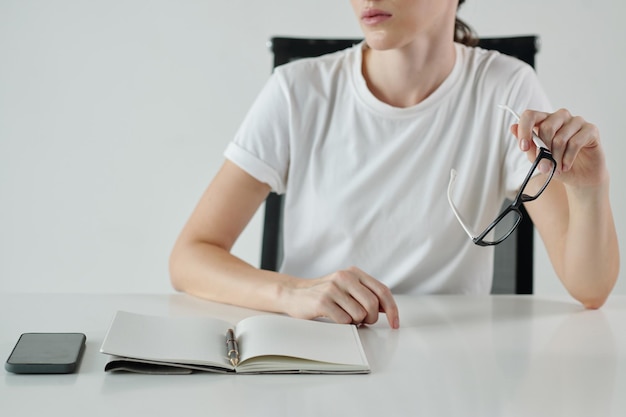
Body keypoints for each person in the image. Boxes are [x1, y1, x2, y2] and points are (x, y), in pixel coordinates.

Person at [169, 0, 619, 329]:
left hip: (451, 364)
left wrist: (589, 189)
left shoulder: (504, 87)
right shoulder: (297, 90)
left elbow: (590, 288)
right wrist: (291, 293)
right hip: (316, 356)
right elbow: (190, 256)